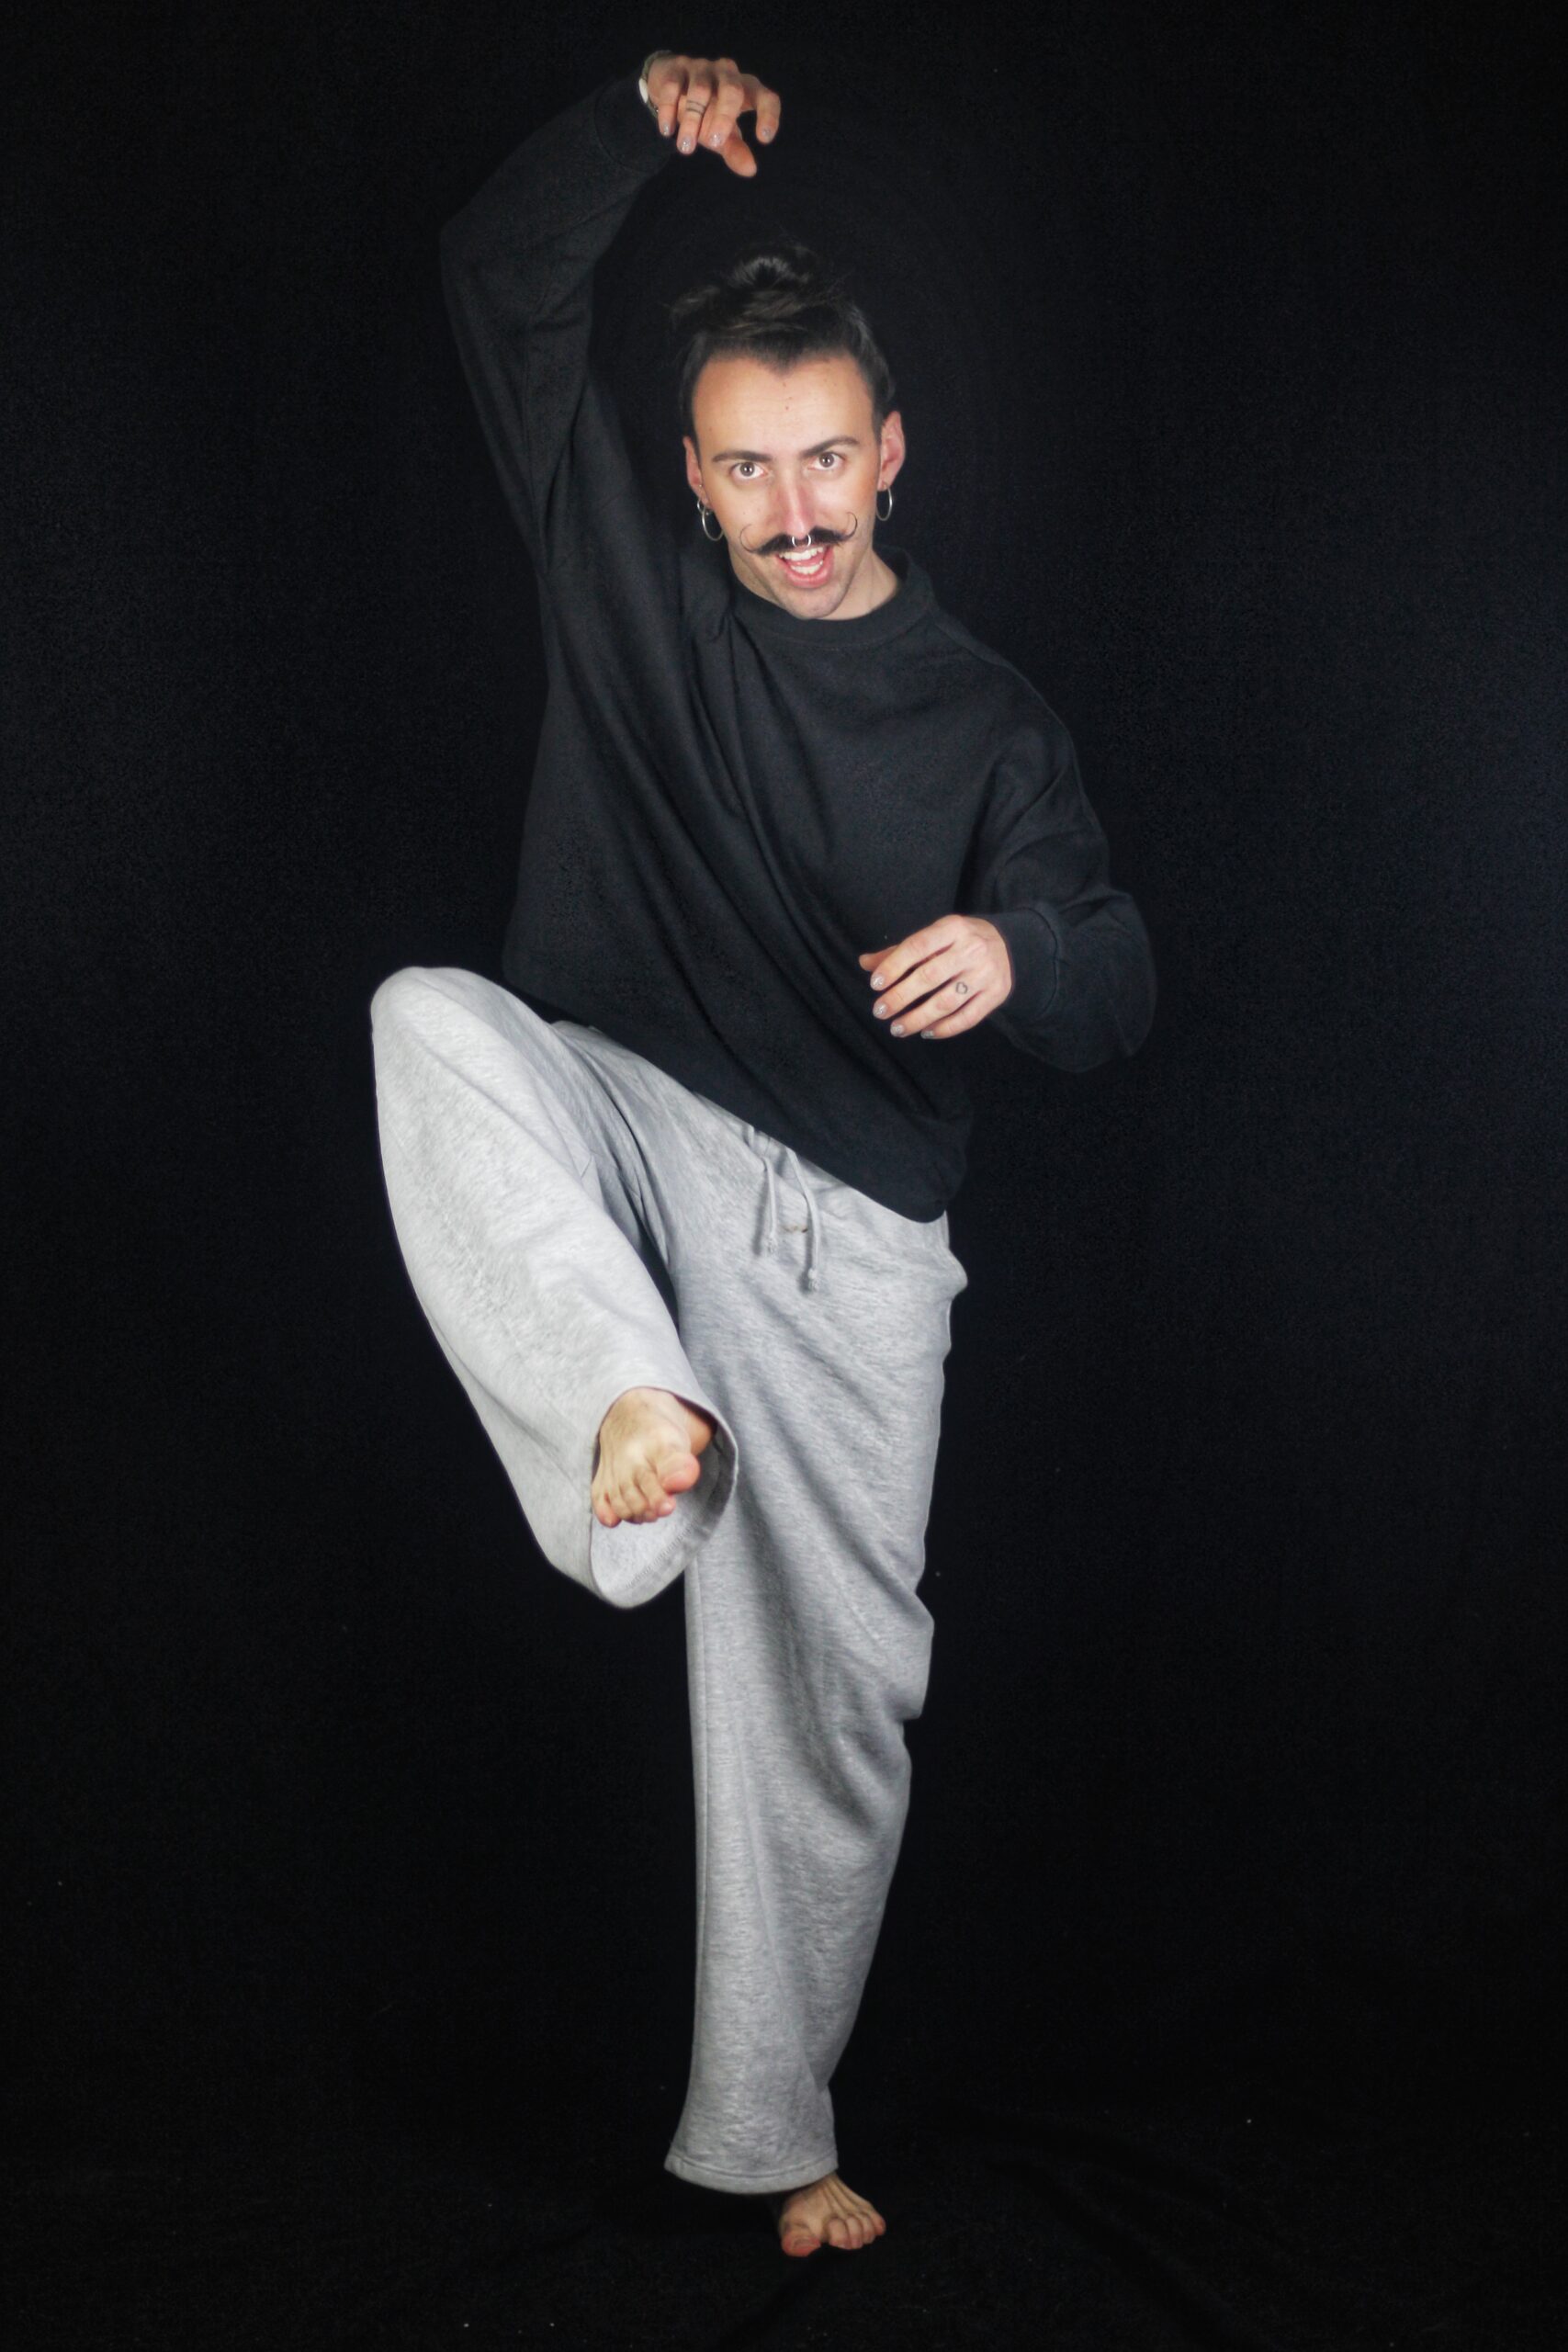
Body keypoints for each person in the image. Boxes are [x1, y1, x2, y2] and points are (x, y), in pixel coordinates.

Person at [369, 47, 1156, 2260]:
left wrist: (1015, 953)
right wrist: (634, 121)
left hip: (846, 1239)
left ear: (889, 450)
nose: (793, 512)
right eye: (746, 469)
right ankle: (628, 1401)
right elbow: (496, 277)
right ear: (690, 475)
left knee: (835, 1692)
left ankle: (767, 2137)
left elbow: (1115, 978)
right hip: (627, 1133)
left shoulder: (986, 718)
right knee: (428, 1022)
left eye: (825, 461)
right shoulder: (627, 580)